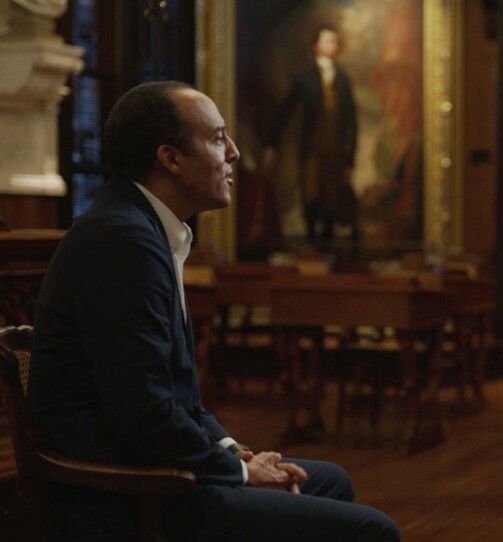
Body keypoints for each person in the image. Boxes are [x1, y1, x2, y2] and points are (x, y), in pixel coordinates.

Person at [28, 81, 399, 542]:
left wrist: (235, 452)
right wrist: (240, 474)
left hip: (156, 470)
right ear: (172, 158)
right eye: (218, 138)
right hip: (126, 495)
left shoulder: (140, 228)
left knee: (331, 479)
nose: (236, 153)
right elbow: (142, 415)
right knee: (374, 530)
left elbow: (175, 399)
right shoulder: (123, 241)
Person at [271, 23, 358, 246]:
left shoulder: (342, 80)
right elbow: (285, 112)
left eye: (335, 41)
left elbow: (351, 121)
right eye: (328, 41)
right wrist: (272, 144)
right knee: (310, 194)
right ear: (316, 46)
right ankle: (312, 243)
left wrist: (350, 156)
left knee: (332, 196)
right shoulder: (306, 79)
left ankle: (327, 244)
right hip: (312, 149)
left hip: (336, 151)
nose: (333, 45)